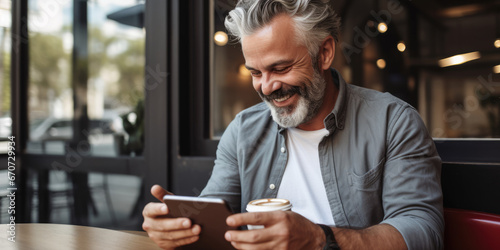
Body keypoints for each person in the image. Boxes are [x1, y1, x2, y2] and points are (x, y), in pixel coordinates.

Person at [142, 0, 444, 249]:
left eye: (281, 68)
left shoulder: (393, 122)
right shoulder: (243, 130)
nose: (267, 87)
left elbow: (422, 232)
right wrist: (182, 225)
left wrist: (318, 239)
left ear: (324, 53)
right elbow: (214, 207)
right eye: (255, 72)